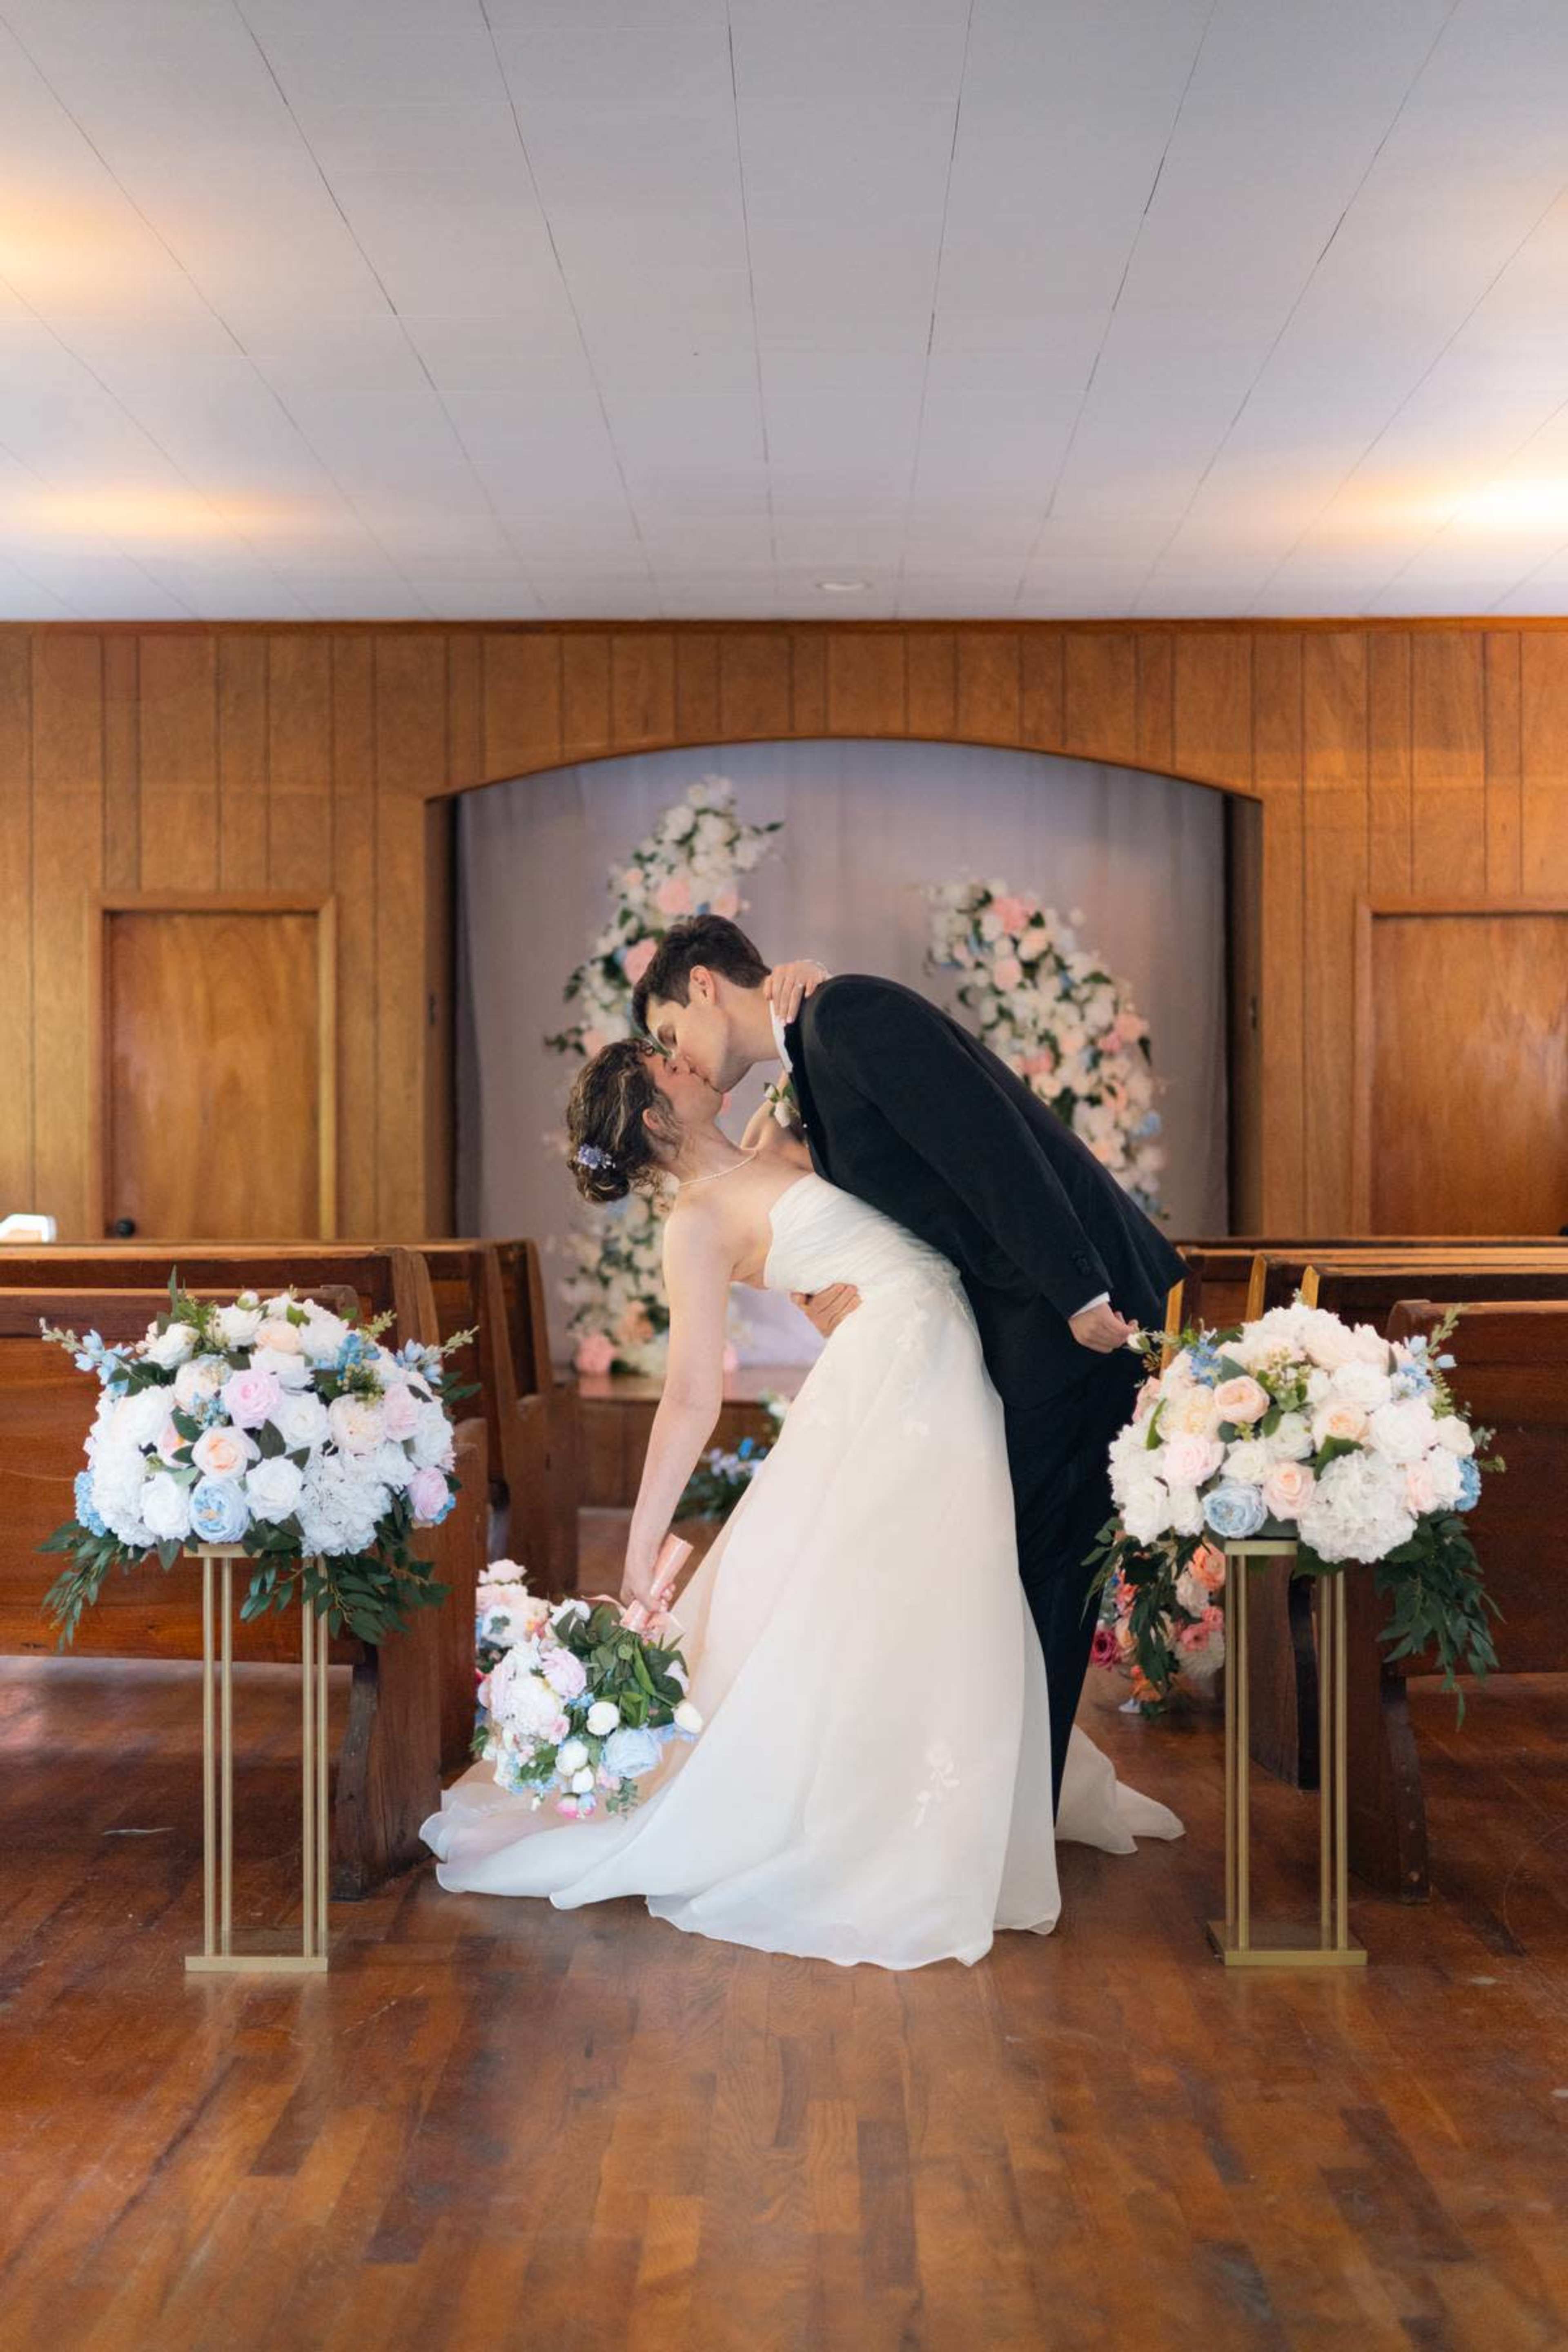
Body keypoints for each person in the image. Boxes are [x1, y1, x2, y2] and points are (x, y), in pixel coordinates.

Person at [421, 1032, 1180, 1971]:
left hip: (929, 1346)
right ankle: (896, 1816)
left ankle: (945, 1791)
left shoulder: (762, 1138)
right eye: (667, 1065)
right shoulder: (694, 1222)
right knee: (926, 1582)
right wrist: (640, 1548)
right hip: (901, 1369)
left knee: (926, 1584)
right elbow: (691, 1394)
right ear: (656, 1116)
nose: (688, 1061)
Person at [635, 918, 1189, 1807]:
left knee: (1041, 1569)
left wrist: (1083, 1294)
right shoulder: (810, 1056)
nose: (682, 1059)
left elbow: (994, 1147)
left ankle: (1014, 1820)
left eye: (669, 1035)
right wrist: (819, 1289)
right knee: (1023, 1569)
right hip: (1017, 1330)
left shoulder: (847, 1016)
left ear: (703, 985)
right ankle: (1006, 1817)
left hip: (1079, 1317)